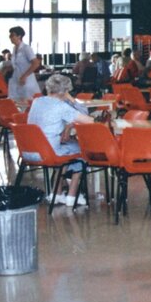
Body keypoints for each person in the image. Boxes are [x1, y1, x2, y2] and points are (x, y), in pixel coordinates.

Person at [26, 74, 95, 208]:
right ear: (65, 91)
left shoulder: (37, 101)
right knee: (82, 150)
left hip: (29, 151)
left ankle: (56, 194)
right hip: (48, 154)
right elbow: (88, 120)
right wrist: (72, 100)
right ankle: (72, 195)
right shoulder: (61, 106)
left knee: (67, 149)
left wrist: (67, 126)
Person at [8, 26, 41, 100]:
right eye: (10, 35)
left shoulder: (26, 48)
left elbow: (36, 63)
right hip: (17, 79)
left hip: (27, 81)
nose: (10, 37)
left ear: (19, 36)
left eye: (12, 35)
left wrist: (25, 76)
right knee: (16, 101)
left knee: (28, 101)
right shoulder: (14, 49)